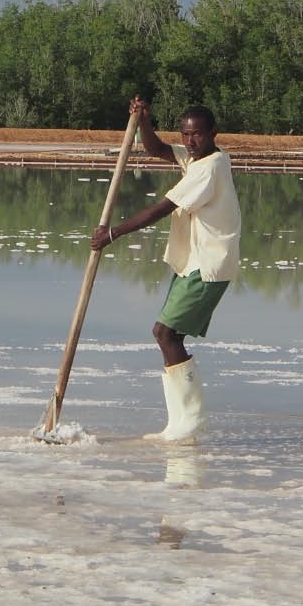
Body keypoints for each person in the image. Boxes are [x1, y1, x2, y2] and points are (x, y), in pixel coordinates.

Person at [91, 95, 241, 442]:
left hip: (209, 265)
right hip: (194, 261)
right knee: (168, 334)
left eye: (197, 134)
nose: (190, 141)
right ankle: (181, 420)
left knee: (166, 333)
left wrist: (113, 233)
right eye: (185, 134)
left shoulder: (209, 168)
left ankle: (190, 419)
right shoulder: (197, 158)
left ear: (213, 133)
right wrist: (143, 120)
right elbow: (156, 148)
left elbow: (162, 208)